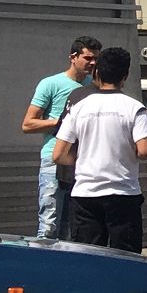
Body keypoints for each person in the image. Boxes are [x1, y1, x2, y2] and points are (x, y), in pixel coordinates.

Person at [52, 45, 147, 252]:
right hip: (123, 193)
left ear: (97, 73)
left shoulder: (79, 107)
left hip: (85, 194)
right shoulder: (134, 107)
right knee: (126, 256)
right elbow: (145, 150)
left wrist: (84, 158)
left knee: (88, 256)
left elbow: (58, 155)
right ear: (125, 75)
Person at [22, 36, 99, 240]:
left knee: (72, 228)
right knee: (49, 223)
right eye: (88, 58)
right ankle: (42, 258)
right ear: (73, 57)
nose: (92, 63)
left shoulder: (95, 86)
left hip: (82, 162)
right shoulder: (51, 84)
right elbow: (28, 124)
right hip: (53, 159)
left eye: (95, 59)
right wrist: (62, 122)